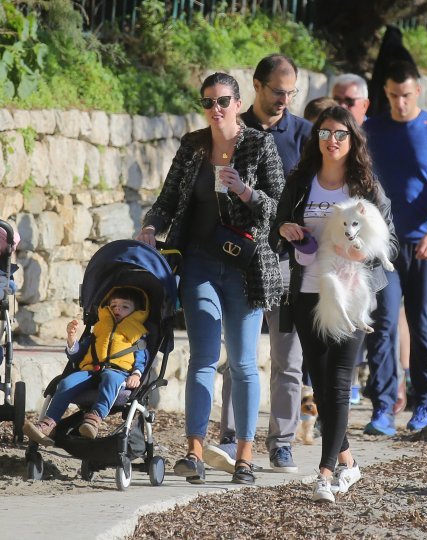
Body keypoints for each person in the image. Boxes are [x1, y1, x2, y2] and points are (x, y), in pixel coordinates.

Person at [137, 72, 284, 484]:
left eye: (222, 101)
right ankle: (194, 452)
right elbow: (167, 200)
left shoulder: (259, 144)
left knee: (242, 362)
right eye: (207, 102)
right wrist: (151, 225)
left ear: (238, 103)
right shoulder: (193, 145)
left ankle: (245, 457)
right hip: (199, 261)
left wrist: (246, 192)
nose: (215, 109)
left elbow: (279, 207)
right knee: (202, 357)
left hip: (245, 267)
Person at [272, 106, 398, 502]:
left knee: (339, 383)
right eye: (325, 132)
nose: (332, 140)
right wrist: (285, 228)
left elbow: (387, 238)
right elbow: (277, 228)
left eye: (340, 133)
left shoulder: (365, 186)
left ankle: (325, 472)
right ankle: (349, 461)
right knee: (322, 383)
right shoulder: (300, 181)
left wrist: (367, 255)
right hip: (308, 289)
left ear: (352, 139)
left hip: (351, 292)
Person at [200, 55, 311, 476]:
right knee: (240, 358)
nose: (284, 100)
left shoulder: (303, 135)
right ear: (258, 87)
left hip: (287, 262)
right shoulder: (231, 128)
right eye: (278, 91)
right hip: (240, 260)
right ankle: (230, 439)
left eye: (291, 93)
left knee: (288, 359)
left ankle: (281, 443)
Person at [364, 60, 427, 435]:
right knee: (383, 323)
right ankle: (383, 407)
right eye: (392, 96)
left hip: (426, 242)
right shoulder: (371, 129)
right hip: (382, 244)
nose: (399, 103)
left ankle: (422, 403)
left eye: (405, 95)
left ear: (417, 91)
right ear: (385, 94)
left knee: (423, 322)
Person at [24, 287, 148, 445]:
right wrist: (71, 340)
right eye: (114, 305)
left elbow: (141, 358)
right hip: (90, 370)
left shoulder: (137, 332)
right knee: (66, 383)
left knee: (110, 378)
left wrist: (136, 374)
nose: (118, 309)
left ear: (136, 311)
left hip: (119, 373)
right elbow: (77, 354)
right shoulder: (100, 328)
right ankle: (48, 424)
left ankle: (94, 419)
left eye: (125, 306)